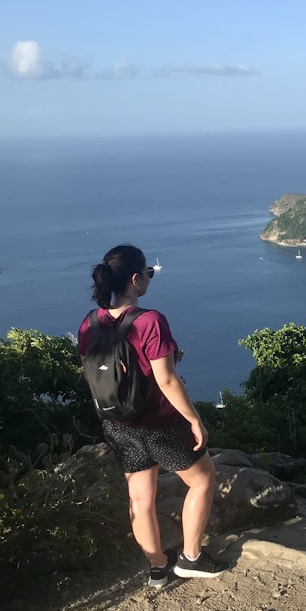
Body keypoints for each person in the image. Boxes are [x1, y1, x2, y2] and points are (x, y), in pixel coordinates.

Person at [78, 244, 229, 587]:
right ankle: (191, 557)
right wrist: (194, 419)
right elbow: (167, 379)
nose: (148, 278)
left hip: (117, 424)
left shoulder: (89, 323)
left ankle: (158, 568)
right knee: (203, 478)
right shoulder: (149, 321)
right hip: (159, 424)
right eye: (147, 273)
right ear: (135, 279)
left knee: (140, 498)